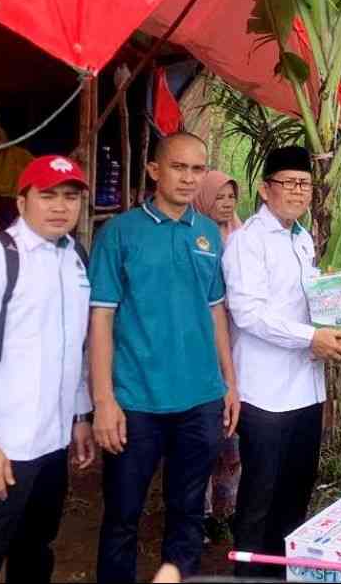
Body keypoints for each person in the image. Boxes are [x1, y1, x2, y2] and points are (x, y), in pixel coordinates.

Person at [89, 132, 240, 583]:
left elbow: (216, 312)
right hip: (136, 401)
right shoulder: (119, 233)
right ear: (155, 170)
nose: (189, 178)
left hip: (201, 399)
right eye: (178, 167)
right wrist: (103, 401)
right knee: (122, 513)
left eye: (198, 169)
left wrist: (229, 383)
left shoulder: (208, 233)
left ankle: (181, 576)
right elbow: (100, 320)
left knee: (188, 509)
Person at [0, 156, 97, 583]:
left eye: (70, 196)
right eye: (47, 195)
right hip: (1, 445)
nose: (60, 206)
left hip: (51, 443)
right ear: (21, 200)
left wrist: (81, 416)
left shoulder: (75, 258)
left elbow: (75, 348)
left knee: (35, 550)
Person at [223, 147, 341, 579]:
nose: (298, 192)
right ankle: (248, 575)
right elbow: (248, 313)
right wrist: (311, 336)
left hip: (306, 390)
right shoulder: (248, 241)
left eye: (304, 184)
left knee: (296, 493)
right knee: (259, 497)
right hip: (265, 394)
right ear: (265, 189)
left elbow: (310, 304)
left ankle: (282, 573)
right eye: (288, 183)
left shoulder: (301, 237)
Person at [194, 170, 244, 540]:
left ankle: (227, 510)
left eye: (230, 198)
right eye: (219, 198)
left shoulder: (243, 239)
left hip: (238, 345)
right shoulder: (195, 241)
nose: (226, 205)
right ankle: (200, 511)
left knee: (232, 435)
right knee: (203, 435)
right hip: (203, 344)